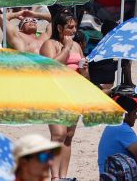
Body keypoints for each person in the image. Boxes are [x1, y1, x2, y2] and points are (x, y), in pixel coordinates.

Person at [40, 12, 87, 179]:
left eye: (75, 27)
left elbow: (85, 78)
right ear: (59, 28)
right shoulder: (49, 44)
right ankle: (54, 177)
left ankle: (63, 175)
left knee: (68, 136)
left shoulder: (77, 46)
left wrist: (85, 70)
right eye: (70, 27)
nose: (74, 31)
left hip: (73, 94)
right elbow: (52, 67)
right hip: (54, 93)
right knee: (58, 134)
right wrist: (66, 48)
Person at [98, 94, 137, 171]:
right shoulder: (122, 128)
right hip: (119, 175)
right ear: (126, 114)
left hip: (109, 175)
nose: (136, 117)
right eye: (134, 113)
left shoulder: (112, 125)